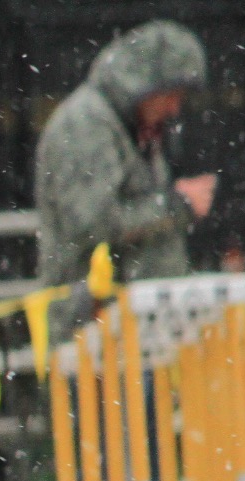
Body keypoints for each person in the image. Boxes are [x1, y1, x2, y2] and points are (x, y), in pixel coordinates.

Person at [35, 20, 212, 286]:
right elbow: (92, 224)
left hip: (132, 303)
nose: (174, 109)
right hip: (94, 305)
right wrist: (177, 204)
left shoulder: (132, 125)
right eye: (171, 95)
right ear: (146, 83)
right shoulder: (86, 123)